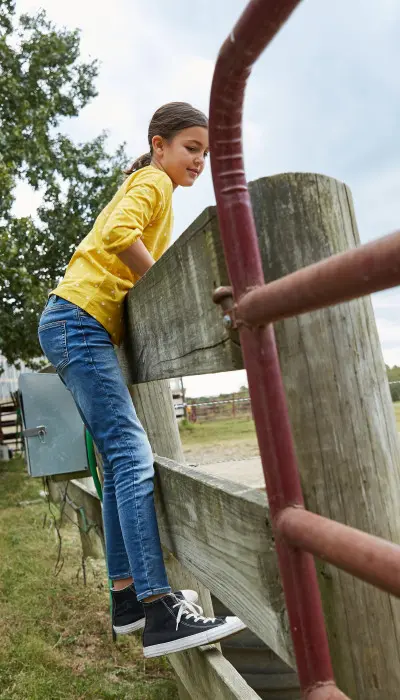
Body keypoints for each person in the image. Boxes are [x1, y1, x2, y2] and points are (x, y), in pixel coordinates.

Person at [37, 102, 246, 658]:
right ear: (159, 146)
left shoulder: (153, 184)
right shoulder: (153, 181)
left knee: (116, 458)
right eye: (191, 148)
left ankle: (127, 598)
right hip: (78, 322)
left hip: (71, 322)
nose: (199, 160)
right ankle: (160, 608)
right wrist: (164, 282)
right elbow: (115, 233)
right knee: (132, 455)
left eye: (206, 152)